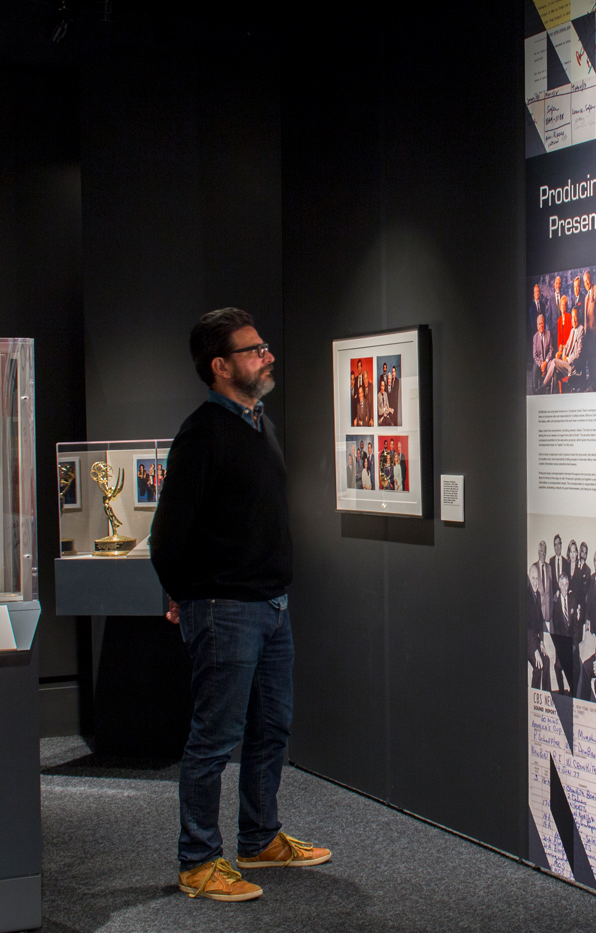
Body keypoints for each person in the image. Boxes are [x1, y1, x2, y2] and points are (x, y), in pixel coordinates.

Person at [151, 307, 331, 903]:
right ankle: (199, 861)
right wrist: (186, 593)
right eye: (254, 350)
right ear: (221, 366)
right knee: (214, 737)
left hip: (272, 606)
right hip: (225, 609)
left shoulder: (259, 423)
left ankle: (258, 837)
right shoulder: (202, 433)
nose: (267, 355)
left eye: (264, 345)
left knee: (271, 728)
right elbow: (167, 536)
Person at [532, 313, 554, 392]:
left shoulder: (548, 333)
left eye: (542, 323)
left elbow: (551, 350)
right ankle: (535, 390)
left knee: (551, 365)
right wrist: (541, 364)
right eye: (539, 324)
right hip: (539, 362)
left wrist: (546, 362)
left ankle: (547, 388)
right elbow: (534, 355)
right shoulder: (535, 337)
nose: (541, 325)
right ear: (537, 325)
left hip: (547, 360)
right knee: (534, 369)